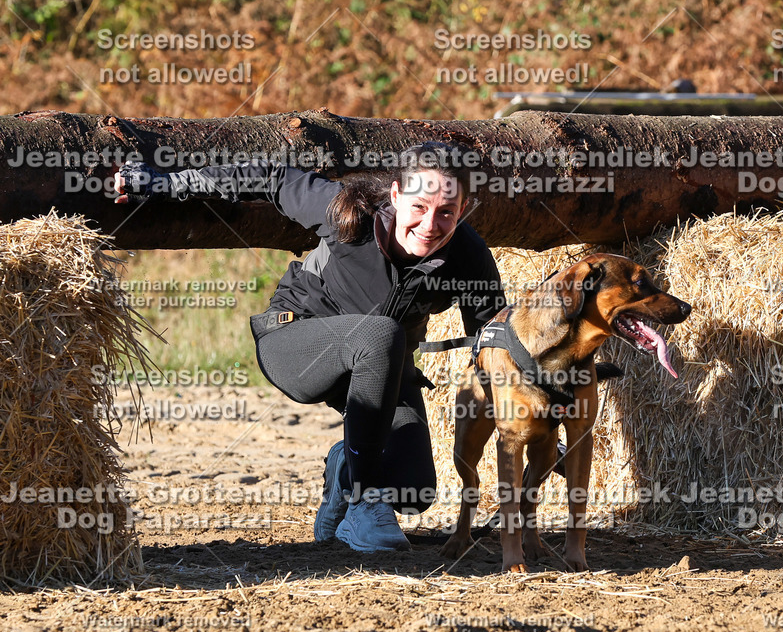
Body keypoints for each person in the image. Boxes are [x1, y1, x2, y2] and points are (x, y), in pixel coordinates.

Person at [114, 143, 506, 552]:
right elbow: (272, 177)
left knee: (413, 491)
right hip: (295, 341)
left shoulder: (468, 255)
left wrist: (537, 417)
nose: (430, 224)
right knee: (383, 333)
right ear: (395, 196)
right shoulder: (351, 211)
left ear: (462, 210)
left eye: (446, 211)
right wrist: (164, 183)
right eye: (420, 207)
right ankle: (363, 500)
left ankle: (346, 468)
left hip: (379, 368)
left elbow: (493, 348)